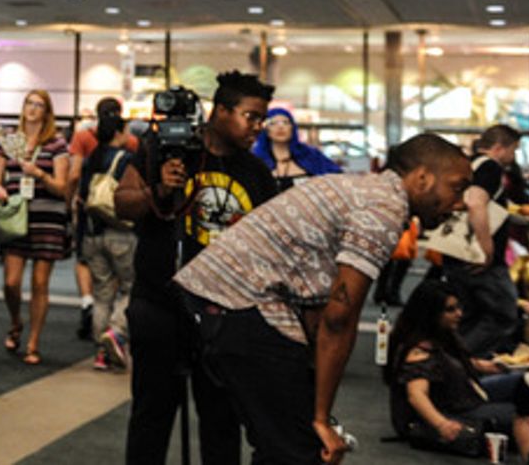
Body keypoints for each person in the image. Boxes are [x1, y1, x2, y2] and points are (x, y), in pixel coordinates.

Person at [176, 133, 473, 465]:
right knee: (299, 451)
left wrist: (317, 413)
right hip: (240, 302)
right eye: (457, 188)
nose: (460, 203)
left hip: (223, 299)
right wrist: (320, 419)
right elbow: (338, 320)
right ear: (422, 178)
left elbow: (319, 303)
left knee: (285, 444)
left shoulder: (366, 190)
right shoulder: (384, 209)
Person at [114, 70, 278, 465]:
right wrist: (161, 190)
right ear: (220, 111)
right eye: (250, 116)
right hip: (160, 303)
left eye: (261, 119)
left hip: (224, 313)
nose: (257, 127)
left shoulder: (255, 172)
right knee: (152, 414)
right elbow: (123, 203)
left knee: (222, 419)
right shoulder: (162, 149)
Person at [387, 279, 529, 458]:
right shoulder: (418, 352)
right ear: (431, 313)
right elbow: (417, 396)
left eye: (458, 307)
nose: (459, 313)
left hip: (465, 393)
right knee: (523, 412)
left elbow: (452, 362)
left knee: (525, 384)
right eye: (450, 310)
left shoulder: (440, 334)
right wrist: (442, 424)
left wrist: (489, 366)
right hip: (456, 410)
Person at [0, 89, 71, 366]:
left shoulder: (56, 145)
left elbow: (63, 188)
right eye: (29, 103)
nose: (32, 109)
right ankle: (16, 322)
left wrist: (40, 175)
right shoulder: (10, 141)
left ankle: (33, 342)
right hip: (15, 218)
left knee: (40, 283)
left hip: (47, 219)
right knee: (11, 283)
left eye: (39, 105)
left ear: (47, 112)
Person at [448, 124, 528, 357]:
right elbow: (475, 202)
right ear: (499, 147)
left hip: (457, 254)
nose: (513, 157)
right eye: (513, 150)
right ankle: (457, 361)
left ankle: (454, 367)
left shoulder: (468, 165)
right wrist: (486, 247)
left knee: (468, 316)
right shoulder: (490, 167)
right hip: (481, 257)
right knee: (503, 314)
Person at [70, 97, 139, 341]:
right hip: (120, 233)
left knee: (102, 294)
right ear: (119, 131)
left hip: (93, 233)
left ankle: (101, 349)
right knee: (130, 288)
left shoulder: (92, 158)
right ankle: (116, 332)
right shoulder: (127, 159)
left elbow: (78, 189)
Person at [251, 106, 341, 192]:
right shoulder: (256, 160)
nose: (280, 127)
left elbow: (337, 178)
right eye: (273, 123)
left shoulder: (311, 155)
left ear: (292, 128)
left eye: (285, 122)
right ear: (266, 130)